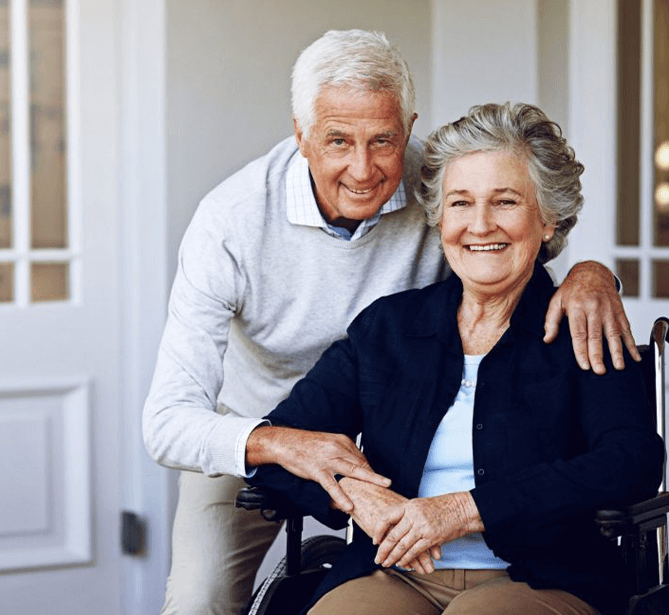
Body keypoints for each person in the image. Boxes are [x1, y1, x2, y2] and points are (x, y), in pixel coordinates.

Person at [143, 30, 638, 615]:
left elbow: (513, 226)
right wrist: (290, 450)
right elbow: (169, 422)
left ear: (407, 129)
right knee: (200, 602)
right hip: (257, 428)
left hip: (440, 483)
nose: (363, 167)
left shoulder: (447, 177)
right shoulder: (231, 223)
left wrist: (594, 273)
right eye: (337, 140)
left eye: (383, 139)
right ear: (300, 136)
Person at [247, 102, 665, 615]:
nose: (480, 225)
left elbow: (631, 461)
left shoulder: (582, 323)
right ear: (439, 216)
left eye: (506, 201)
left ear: (548, 218)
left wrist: (466, 510)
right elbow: (282, 442)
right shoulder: (389, 330)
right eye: (461, 203)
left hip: (542, 577)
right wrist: (357, 496)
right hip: (393, 572)